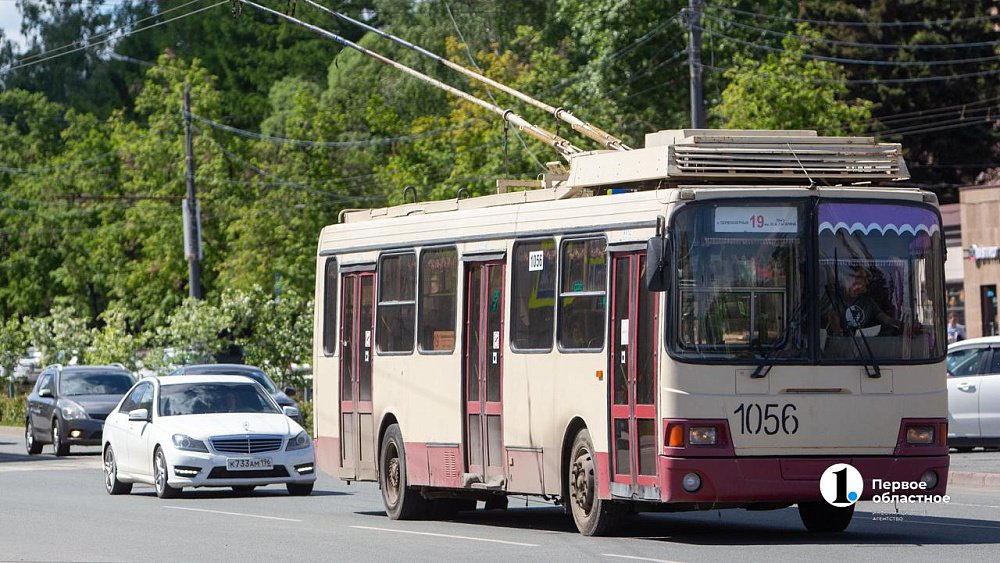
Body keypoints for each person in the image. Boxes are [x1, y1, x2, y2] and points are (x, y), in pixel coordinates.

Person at [827, 267, 900, 336]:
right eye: (864, 279)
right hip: (842, 344)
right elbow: (834, 320)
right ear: (853, 279)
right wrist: (838, 331)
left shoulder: (867, 302)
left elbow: (886, 319)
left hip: (863, 344)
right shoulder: (839, 300)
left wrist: (902, 325)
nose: (867, 283)